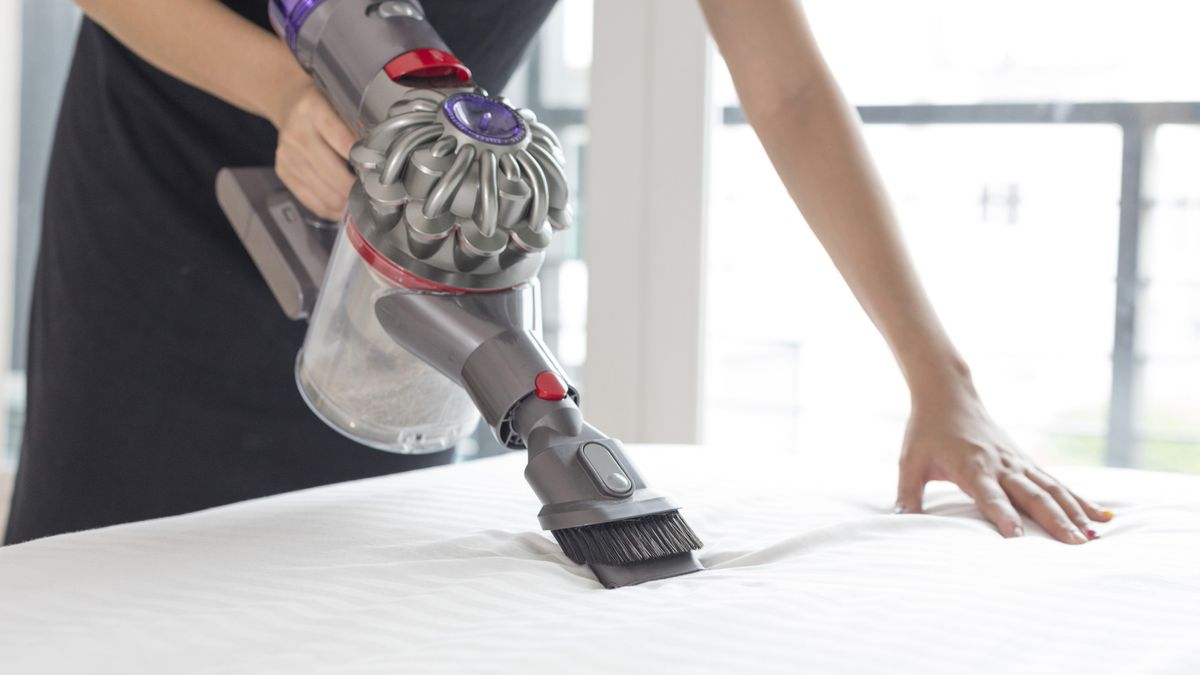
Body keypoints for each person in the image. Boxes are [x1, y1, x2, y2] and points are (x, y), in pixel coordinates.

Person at [4, 0, 1111, 546]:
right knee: (109, 555)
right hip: (169, 194)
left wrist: (941, 380)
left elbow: (789, 93)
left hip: (422, 217)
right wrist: (283, 92)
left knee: (360, 575)